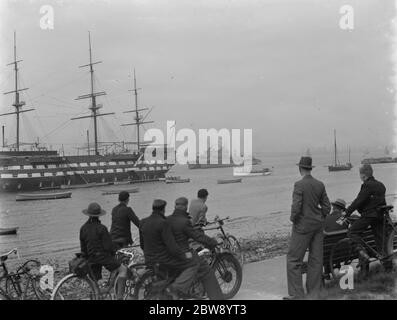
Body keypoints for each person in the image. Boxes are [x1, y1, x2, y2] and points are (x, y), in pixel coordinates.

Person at [285, 156, 331, 300]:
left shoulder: (299, 185)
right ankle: (313, 293)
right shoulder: (320, 184)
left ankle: (297, 294)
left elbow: (296, 207)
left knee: (293, 259)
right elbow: (327, 207)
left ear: (300, 168)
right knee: (316, 259)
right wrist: (321, 217)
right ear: (310, 169)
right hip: (317, 226)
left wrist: (293, 219)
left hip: (302, 227)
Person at [166, 197, 224, 300]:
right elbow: (197, 236)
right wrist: (214, 242)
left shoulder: (167, 219)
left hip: (168, 254)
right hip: (183, 254)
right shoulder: (184, 221)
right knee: (206, 271)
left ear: (175, 206)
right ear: (185, 207)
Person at [80, 202, 128, 300]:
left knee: (95, 282)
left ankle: (97, 295)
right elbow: (108, 247)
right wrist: (114, 253)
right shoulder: (102, 228)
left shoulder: (83, 228)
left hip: (90, 259)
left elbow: (83, 249)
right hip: (102, 257)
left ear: (88, 215)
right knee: (123, 270)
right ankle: (119, 298)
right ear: (99, 215)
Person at [343, 164, 386, 264]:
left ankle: (363, 253)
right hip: (380, 216)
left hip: (369, 215)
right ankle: (387, 265)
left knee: (352, 232)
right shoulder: (381, 185)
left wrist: (346, 213)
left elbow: (358, 201)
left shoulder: (367, 185)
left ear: (363, 175)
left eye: (360, 175)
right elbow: (379, 201)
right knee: (380, 241)